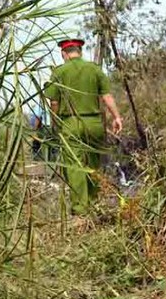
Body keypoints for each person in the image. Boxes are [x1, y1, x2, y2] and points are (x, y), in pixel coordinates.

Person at [44, 38, 123, 215]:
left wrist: (55, 122)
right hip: (94, 124)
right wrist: (117, 117)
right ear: (80, 51)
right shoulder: (94, 69)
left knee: (74, 165)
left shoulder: (60, 71)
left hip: (71, 123)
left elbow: (54, 101)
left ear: (63, 53)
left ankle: (81, 209)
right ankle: (95, 204)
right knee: (93, 164)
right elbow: (107, 96)